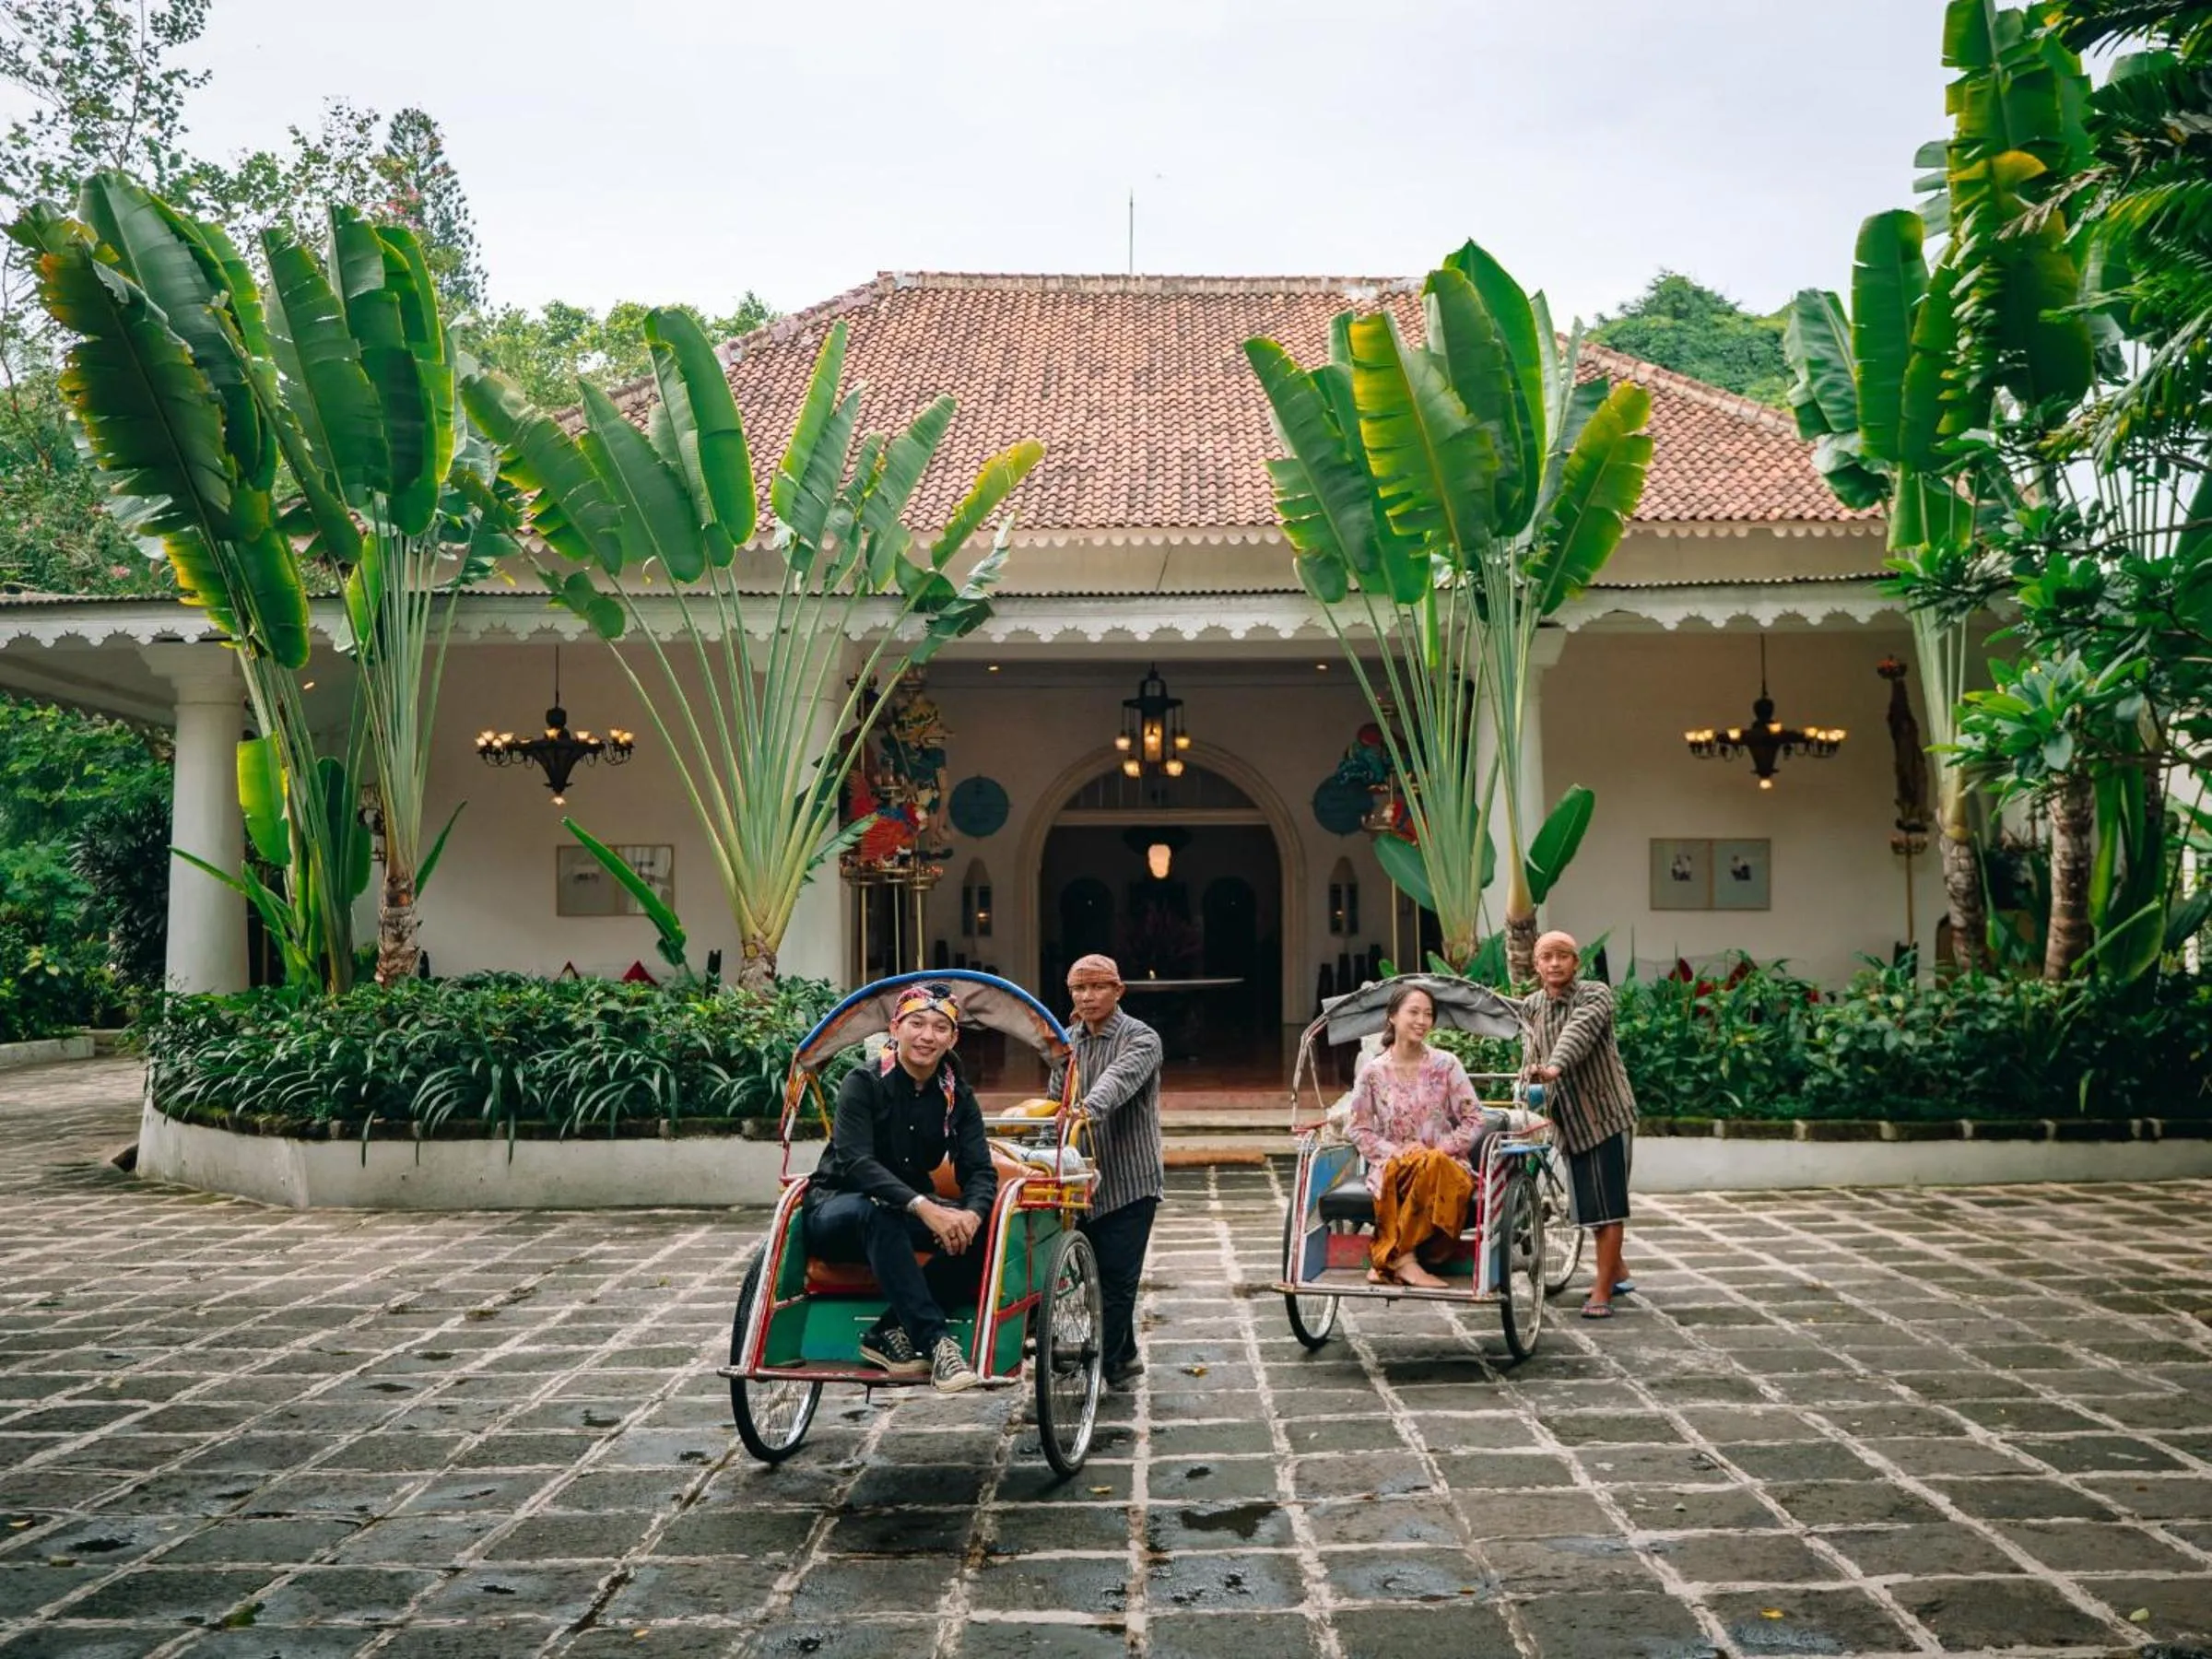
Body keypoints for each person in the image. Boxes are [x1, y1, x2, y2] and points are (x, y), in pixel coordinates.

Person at [804, 983, 995, 1393]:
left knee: (984, 1233)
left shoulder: (956, 1096)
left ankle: (888, 1331)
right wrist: (925, 1208)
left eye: (940, 1027)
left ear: (952, 1037)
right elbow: (857, 1163)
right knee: (881, 1212)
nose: (927, 1035)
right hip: (838, 1210)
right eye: (917, 1023)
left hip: (904, 1215)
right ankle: (936, 1342)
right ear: (896, 1027)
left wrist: (971, 1214)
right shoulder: (864, 1083)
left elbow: (980, 1170)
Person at [1049, 953, 1165, 1390]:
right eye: (1079, 988)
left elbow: (1118, 1080)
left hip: (1130, 1179)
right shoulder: (1068, 1040)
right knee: (1091, 1275)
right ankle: (1125, 1354)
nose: (1088, 996)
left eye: (1097, 987)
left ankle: (1103, 1365)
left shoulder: (1142, 1038)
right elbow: (1054, 1096)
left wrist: (1085, 1110)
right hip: (1081, 1178)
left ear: (1119, 991)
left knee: (1117, 1279)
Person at [1520, 931, 1639, 1319]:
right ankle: (1617, 1269)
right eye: (1546, 957)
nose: (1554, 964)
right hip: (1567, 1120)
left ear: (1576, 962)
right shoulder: (1532, 1006)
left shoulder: (1594, 994)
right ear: (1536, 965)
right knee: (1588, 1203)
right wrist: (1531, 1080)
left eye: (1563, 956)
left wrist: (1553, 1067)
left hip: (1604, 1115)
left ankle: (1602, 1290)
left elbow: (1579, 1032)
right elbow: (1529, 1053)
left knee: (1606, 1208)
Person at [1345, 982, 1485, 1288]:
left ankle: (1391, 1256)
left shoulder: (1446, 1065)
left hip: (1446, 1164)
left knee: (1431, 1163)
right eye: (1414, 1012)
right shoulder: (1373, 1072)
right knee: (1409, 1166)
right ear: (1392, 1015)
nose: (1422, 1021)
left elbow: (1474, 1118)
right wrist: (1394, 1153)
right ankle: (1405, 1261)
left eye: (1428, 1014)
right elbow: (1358, 1127)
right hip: (1394, 1165)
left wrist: (1440, 1149)